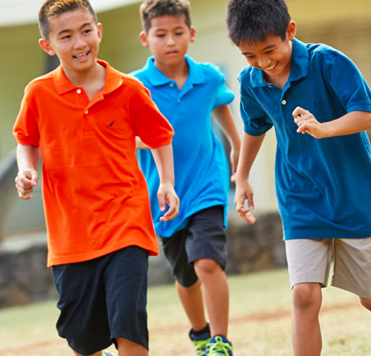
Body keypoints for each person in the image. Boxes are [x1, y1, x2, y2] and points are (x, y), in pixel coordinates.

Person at [226, 1, 371, 355]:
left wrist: (323, 128)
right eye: (249, 56)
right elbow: (255, 127)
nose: (263, 63)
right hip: (300, 197)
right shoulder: (251, 81)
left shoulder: (327, 62)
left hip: (355, 196)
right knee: (303, 294)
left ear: (290, 31)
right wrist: (241, 176)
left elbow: (367, 114)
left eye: (269, 51)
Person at [13, 1, 179, 355]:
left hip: (126, 223)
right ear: (48, 45)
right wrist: (26, 169)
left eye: (86, 31)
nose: (79, 43)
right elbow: (27, 141)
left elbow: (159, 136)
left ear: (98, 31)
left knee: (128, 326)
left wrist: (166, 182)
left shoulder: (128, 89)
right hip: (70, 236)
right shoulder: (38, 93)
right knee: (85, 342)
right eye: (66, 35)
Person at [131, 0, 241, 355]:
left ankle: (221, 342)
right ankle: (200, 333)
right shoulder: (135, 86)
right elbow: (121, 132)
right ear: (146, 38)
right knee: (186, 276)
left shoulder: (207, 76)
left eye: (178, 33)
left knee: (207, 261)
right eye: (161, 34)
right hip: (163, 194)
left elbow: (220, 103)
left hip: (208, 182)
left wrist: (237, 145)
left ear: (191, 34)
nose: (171, 41)